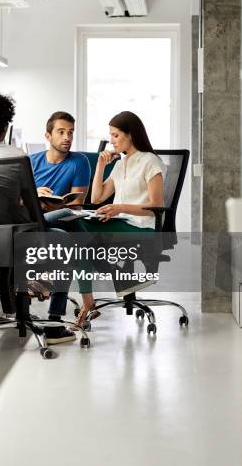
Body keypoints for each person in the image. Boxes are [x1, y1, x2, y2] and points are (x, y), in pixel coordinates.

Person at [0, 91, 76, 345]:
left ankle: (20, 293)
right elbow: (31, 208)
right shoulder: (16, 155)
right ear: (6, 124)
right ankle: (53, 323)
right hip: (22, 241)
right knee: (64, 239)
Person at [76, 111, 166, 325]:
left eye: (116, 135)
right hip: (121, 224)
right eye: (111, 135)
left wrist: (120, 208)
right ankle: (110, 287)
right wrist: (100, 166)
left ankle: (105, 290)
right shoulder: (120, 164)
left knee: (79, 236)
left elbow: (157, 206)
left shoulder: (150, 161)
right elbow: (97, 197)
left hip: (142, 228)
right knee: (77, 234)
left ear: (131, 135)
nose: (111, 140)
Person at [30, 111, 91, 225]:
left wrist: (55, 208)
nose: (67, 137)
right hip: (32, 215)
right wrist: (33, 195)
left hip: (59, 217)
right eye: (61, 132)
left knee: (66, 215)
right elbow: (17, 200)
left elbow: (76, 206)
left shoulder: (80, 161)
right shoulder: (31, 161)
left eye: (70, 132)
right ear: (48, 136)